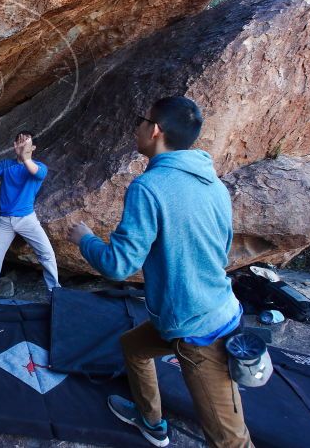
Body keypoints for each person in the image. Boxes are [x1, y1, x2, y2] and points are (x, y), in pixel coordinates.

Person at [66, 97, 249, 448]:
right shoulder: (214, 184)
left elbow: (118, 265)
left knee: (230, 441)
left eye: (140, 120)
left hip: (200, 329)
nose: (136, 127)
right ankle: (151, 422)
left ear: (154, 130)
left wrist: (85, 240)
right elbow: (223, 248)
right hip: (199, 307)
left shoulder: (149, 188)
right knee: (133, 347)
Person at [0, 131, 60, 296]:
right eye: (19, 143)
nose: (22, 145)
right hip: (5, 221)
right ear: (14, 146)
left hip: (27, 219)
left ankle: (56, 294)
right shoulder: (7, 164)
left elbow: (38, 173)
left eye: (26, 142)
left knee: (47, 255)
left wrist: (25, 156)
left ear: (33, 147)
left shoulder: (39, 167)